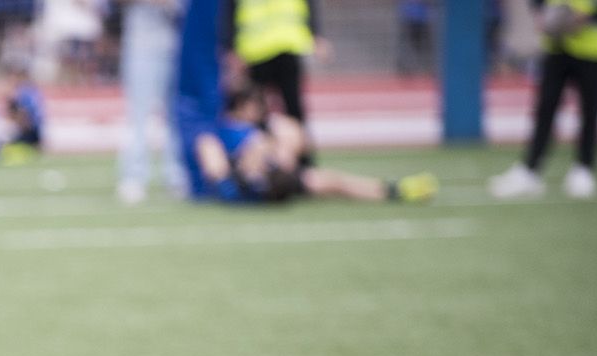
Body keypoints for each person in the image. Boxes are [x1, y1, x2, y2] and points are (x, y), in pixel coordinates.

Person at [177, 0, 436, 204]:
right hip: (256, 55)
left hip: (280, 56)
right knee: (312, 173)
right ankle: (389, 191)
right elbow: (217, 166)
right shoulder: (223, 132)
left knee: (319, 171)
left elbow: (295, 139)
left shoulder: (251, 129)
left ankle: (391, 191)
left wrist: (279, 152)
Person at [488, 0, 597, 199]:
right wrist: (541, 14)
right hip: (556, 47)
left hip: (590, 48)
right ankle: (531, 170)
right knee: (545, 108)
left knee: (588, 110)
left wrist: (584, 13)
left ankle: (583, 168)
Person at [221, 0, 324, 166]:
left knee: (294, 109)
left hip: (287, 45)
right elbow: (230, 8)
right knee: (254, 112)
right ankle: (260, 160)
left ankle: (301, 163)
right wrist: (231, 47)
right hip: (254, 51)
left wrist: (316, 34)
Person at [115, 0, 186, 204]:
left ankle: (176, 174)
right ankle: (133, 175)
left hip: (176, 42)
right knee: (138, 113)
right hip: (141, 43)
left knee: (175, 113)